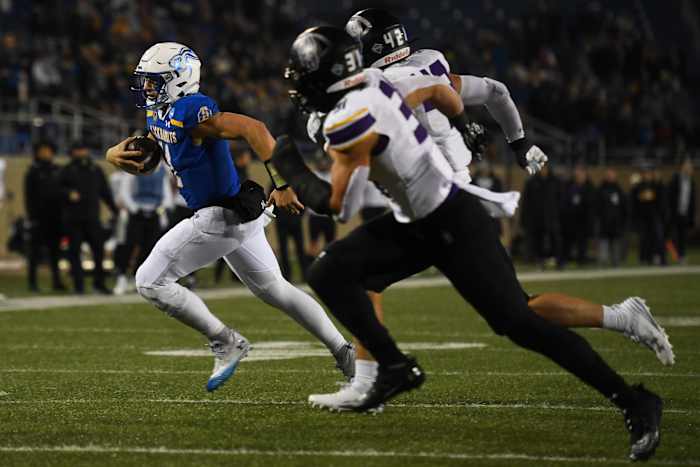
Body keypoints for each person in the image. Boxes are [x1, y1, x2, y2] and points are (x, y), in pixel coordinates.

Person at [276, 26, 662, 461]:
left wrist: (287, 163)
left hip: (451, 223)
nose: (297, 89)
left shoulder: (349, 119)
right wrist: (460, 126)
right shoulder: (382, 81)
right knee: (330, 271)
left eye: (302, 79)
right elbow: (443, 94)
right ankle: (393, 367)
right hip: (418, 219)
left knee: (521, 323)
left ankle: (634, 401)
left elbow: (338, 206)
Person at [105, 42, 354, 392]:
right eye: (146, 81)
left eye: (154, 81)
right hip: (237, 213)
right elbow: (157, 146)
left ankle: (226, 341)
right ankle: (345, 352)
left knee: (149, 281)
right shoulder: (159, 112)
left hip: (218, 215)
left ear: (178, 79)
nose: (147, 88)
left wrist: (282, 183)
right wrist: (116, 152)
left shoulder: (192, 109)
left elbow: (255, 129)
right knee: (276, 290)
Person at [59, 142, 117, 294]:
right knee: (74, 252)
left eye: (83, 149)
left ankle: (99, 283)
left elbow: (105, 191)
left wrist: (114, 209)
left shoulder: (95, 169)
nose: (81, 153)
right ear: (72, 152)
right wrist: (67, 194)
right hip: (73, 219)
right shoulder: (66, 170)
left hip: (92, 217)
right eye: (78, 150)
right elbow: (57, 191)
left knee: (98, 251)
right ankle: (79, 286)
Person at [113, 165, 173, 295]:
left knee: (149, 248)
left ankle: (138, 278)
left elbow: (166, 193)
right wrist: (134, 209)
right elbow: (125, 191)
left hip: (154, 213)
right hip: (137, 213)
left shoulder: (162, 170)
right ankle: (122, 277)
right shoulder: (134, 167)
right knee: (129, 245)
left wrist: (161, 209)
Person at [24, 141, 65, 292]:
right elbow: (28, 196)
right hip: (38, 218)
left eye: (48, 150)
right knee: (34, 253)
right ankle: (32, 283)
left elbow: (62, 193)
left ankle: (57, 281)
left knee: (55, 252)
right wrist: (31, 217)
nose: (46, 153)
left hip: (55, 217)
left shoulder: (57, 170)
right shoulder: (33, 171)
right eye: (43, 150)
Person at [560, 165, 595, 266]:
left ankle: (582, 261)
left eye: (580, 174)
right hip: (570, 220)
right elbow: (565, 202)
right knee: (567, 242)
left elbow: (591, 205)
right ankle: (564, 261)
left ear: (584, 175)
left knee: (582, 243)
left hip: (583, 220)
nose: (578, 176)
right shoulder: (569, 186)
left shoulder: (589, 187)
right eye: (577, 174)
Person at [631, 164, 667, 265]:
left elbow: (661, 199)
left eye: (648, 173)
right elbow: (635, 202)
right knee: (644, 239)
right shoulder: (639, 186)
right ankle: (645, 259)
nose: (647, 175)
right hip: (643, 218)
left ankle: (660, 259)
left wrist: (659, 182)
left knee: (658, 238)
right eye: (645, 173)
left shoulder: (656, 185)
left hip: (655, 217)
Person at [306, 155, 337, 258]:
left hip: (329, 216)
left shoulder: (333, 176)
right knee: (313, 243)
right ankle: (310, 265)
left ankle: (329, 264)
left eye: (325, 162)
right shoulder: (312, 176)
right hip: (315, 216)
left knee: (331, 243)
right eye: (321, 162)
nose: (323, 164)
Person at [667, 159, 695, 263]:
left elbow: (692, 201)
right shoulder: (675, 180)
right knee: (673, 236)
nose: (690, 169)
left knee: (682, 237)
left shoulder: (691, 183)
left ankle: (681, 257)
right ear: (683, 168)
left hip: (685, 213)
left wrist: (691, 217)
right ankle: (672, 254)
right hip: (675, 213)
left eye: (691, 168)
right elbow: (669, 197)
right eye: (688, 167)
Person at [597, 168, 627, 267]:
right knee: (603, 243)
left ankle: (616, 263)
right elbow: (597, 205)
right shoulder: (601, 189)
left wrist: (622, 220)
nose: (610, 177)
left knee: (616, 244)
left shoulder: (618, 189)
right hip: (604, 222)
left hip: (616, 222)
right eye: (608, 175)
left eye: (611, 175)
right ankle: (603, 263)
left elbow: (623, 206)